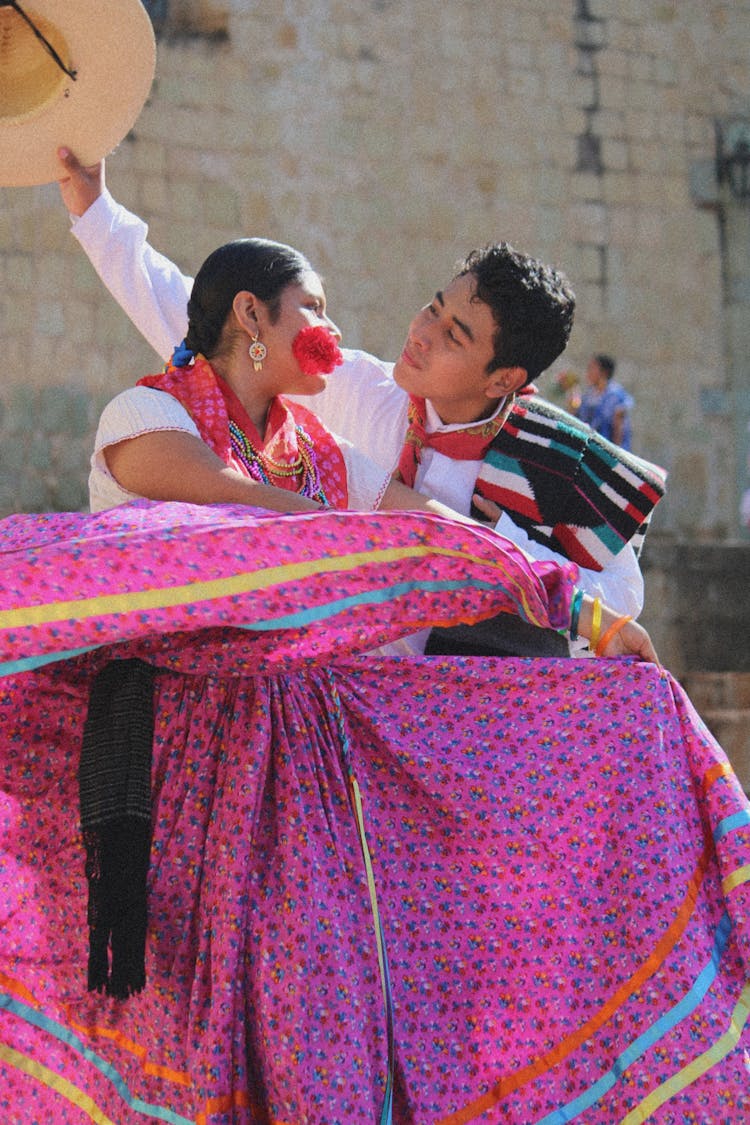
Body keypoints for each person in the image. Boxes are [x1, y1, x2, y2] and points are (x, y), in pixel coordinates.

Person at [57, 151, 666, 658]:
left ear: (503, 379)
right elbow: (199, 319)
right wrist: (96, 213)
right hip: (180, 710)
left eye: (453, 334)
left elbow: (461, 537)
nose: (421, 333)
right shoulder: (154, 416)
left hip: (405, 707)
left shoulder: (546, 456)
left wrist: (587, 614)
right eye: (433, 307)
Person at [576, 352, 634, 450]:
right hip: (589, 448)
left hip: (607, 451)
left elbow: (618, 427)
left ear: (604, 372)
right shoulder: (589, 395)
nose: (588, 372)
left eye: (592, 368)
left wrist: (616, 454)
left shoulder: (615, 396)